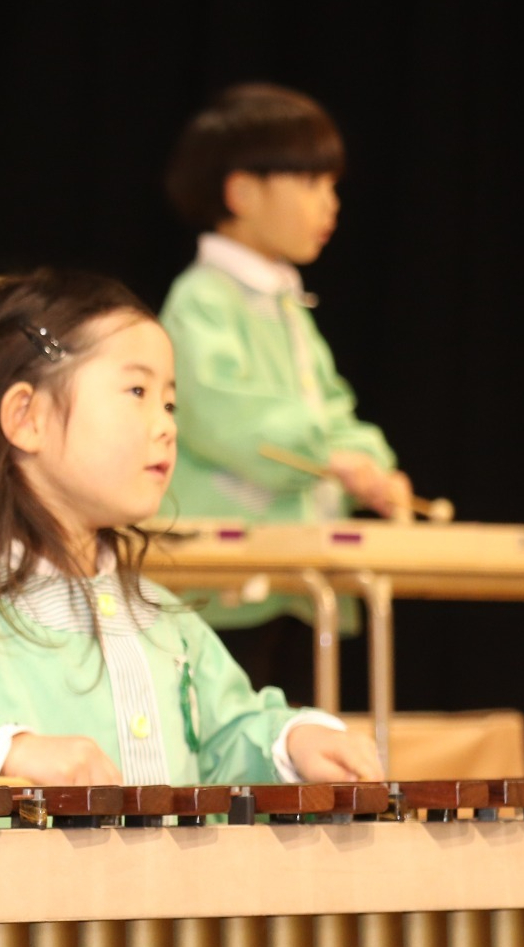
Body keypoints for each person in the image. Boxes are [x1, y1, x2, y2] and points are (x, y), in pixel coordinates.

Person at [0, 269, 383, 788]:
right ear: (26, 417)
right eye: (137, 392)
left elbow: (226, 734)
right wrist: (7, 751)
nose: (165, 425)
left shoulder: (168, 625)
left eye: (169, 403)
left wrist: (291, 741)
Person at [159, 84, 410, 696]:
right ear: (242, 192)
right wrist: (331, 456)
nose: (330, 204)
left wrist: (372, 464)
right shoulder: (200, 299)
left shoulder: (287, 306)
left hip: (294, 572)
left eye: (332, 186)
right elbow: (224, 418)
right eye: (312, 183)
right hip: (229, 581)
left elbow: (331, 406)